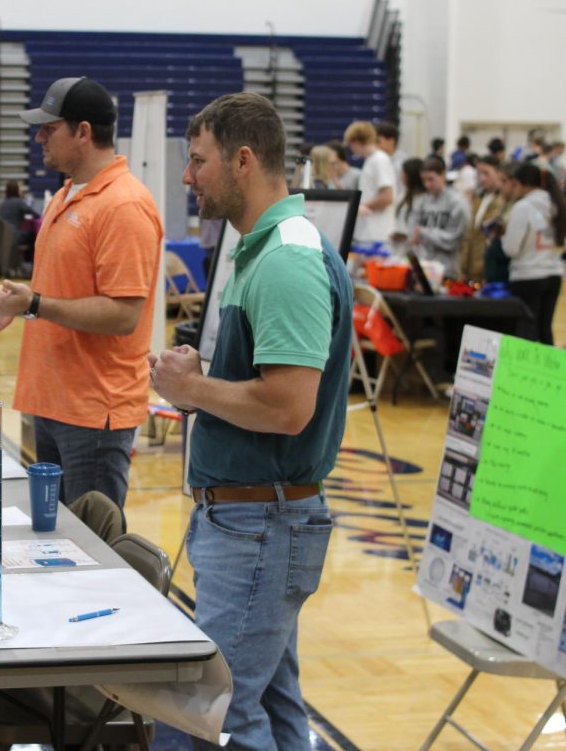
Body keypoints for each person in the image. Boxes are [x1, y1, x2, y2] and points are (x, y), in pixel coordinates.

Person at [149, 91, 351, 751]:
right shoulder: (259, 250)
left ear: (242, 160)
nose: (187, 176)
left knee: (211, 716)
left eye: (198, 160)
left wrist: (198, 388)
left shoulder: (288, 259)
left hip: (260, 526)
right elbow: (258, 390)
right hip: (251, 522)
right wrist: (197, 385)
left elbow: (289, 408)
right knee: (279, 713)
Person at [0, 77, 162, 510]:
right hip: (52, 400)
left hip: (92, 410)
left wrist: (35, 305)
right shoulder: (65, 195)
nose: (38, 137)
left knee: (93, 551)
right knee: (56, 544)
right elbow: (63, 290)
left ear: (83, 132)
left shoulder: (124, 205)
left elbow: (122, 314)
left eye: (49, 127)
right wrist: (18, 308)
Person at [500, 162, 566, 344]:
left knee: (526, 334)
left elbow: (511, 249)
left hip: (527, 276)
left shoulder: (523, 207)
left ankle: (525, 373)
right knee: (545, 331)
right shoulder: (557, 204)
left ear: (519, 184)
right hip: (553, 274)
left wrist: (502, 237)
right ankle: (551, 373)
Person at [407, 156, 470, 279]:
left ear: (443, 175)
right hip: (424, 266)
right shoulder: (423, 201)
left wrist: (424, 233)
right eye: (424, 180)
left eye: (431, 179)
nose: (427, 184)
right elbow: (413, 232)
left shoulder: (457, 202)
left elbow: (453, 239)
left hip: (448, 268)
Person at [343, 121, 396, 244]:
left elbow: (387, 197)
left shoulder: (379, 160)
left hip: (377, 233)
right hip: (369, 232)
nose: (351, 149)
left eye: (351, 144)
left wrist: (361, 207)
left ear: (356, 141)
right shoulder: (371, 161)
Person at [460, 155, 509, 281]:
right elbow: (469, 235)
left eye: (486, 173)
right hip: (470, 269)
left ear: (499, 173)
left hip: (490, 269)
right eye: (479, 174)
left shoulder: (504, 202)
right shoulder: (477, 198)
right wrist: (463, 267)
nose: (482, 178)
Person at [391, 157, 427, 244]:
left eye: (403, 172)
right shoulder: (404, 193)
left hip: (415, 244)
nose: (401, 175)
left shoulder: (423, 198)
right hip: (400, 242)